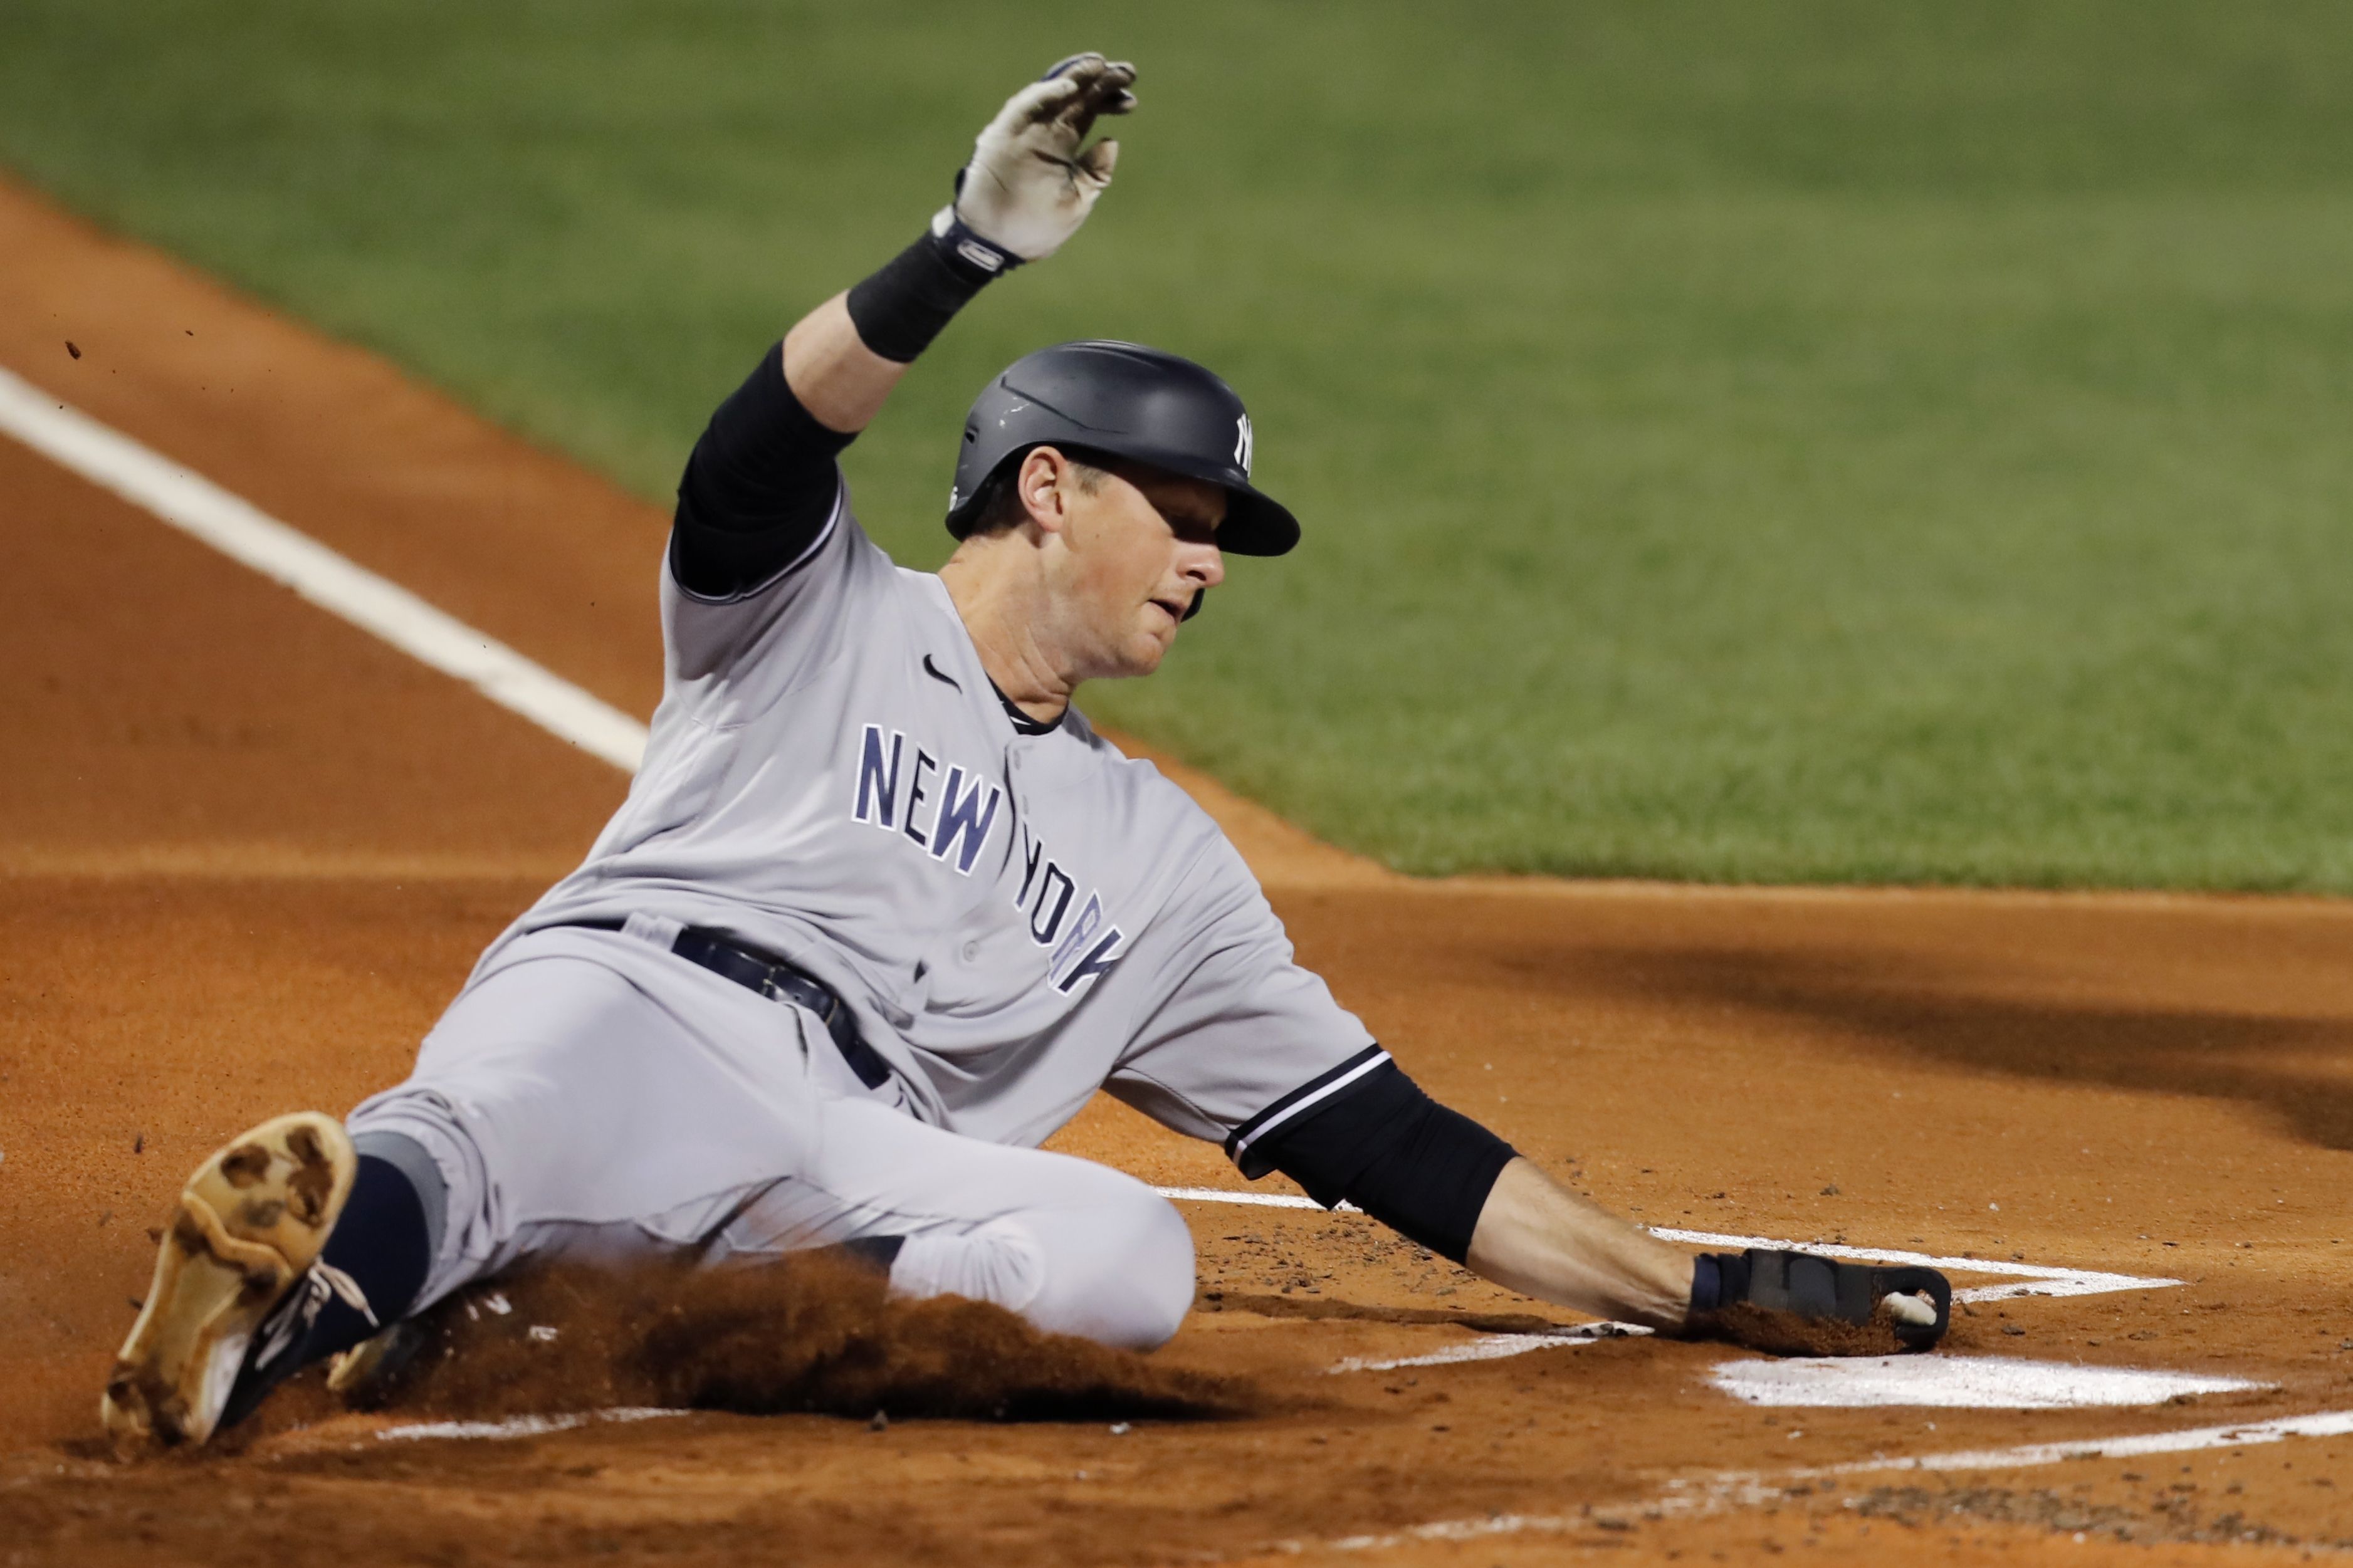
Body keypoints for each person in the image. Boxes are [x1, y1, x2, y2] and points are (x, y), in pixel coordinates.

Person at [103, 54, 1947, 1452]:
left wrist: (1687, 1285)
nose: (1214, 555)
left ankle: (545, 1322)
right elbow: (749, 456)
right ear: (1048, 491)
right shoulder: (813, 610)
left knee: (1124, 1258)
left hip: (839, 1158)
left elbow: (1386, 1141)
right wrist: (957, 254)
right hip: (634, 1010)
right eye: (1188, 509)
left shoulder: (1162, 866)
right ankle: (281, 1307)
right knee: (481, 1130)